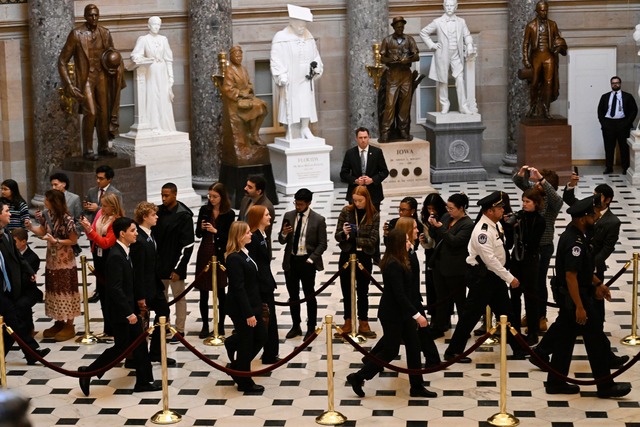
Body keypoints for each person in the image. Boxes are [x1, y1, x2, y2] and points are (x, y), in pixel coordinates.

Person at [543, 197, 631, 398]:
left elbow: (582, 270)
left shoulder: (577, 235)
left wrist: (598, 284)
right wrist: (580, 307)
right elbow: (570, 276)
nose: (596, 217)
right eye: (593, 215)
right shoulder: (574, 242)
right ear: (583, 218)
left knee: (564, 342)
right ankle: (605, 386)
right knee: (596, 341)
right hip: (576, 299)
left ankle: (555, 382)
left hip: (575, 298)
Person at [346, 228, 436, 399]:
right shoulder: (393, 264)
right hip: (392, 315)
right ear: (399, 244)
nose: (410, 243)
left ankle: (417, 386)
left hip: (403, 313)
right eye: (407, 241)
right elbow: (399, 295)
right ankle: (358, 377)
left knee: (414, 347)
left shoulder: (402, 258)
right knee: (390, 350)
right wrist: (417, 315)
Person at [78, 217, 161, 396]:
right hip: (121, 312)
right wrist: (128, 313)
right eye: (132, 230)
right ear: (122, 234)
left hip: (127, 308)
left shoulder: (124, 251)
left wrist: (138, 300)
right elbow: (114, 289)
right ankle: (89, 371)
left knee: (133, 346)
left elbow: (128, 282)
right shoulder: (116, 256)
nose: (136, 233)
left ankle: (144, 381)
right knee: (123, 347)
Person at [444, 191, 525, 362]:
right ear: (489, 211)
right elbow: (491, 261)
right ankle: (453, 351)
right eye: (499, 208)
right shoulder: (482, 231)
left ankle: (518, 348)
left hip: (494, 278)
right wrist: (510, 278)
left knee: (506, 313)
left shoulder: (495, 224)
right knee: (470, 316)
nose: (503, 210)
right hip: (483, 278)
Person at [58, 4, 125, 160]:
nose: (93, 18)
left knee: (104, 114)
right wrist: (68, 84)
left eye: (96, 15)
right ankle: (88, 149)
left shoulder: (105, 33)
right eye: (90, 15)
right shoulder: (76, 34)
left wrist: (115, 68)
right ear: (85, 16)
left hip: (102, 77)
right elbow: (62, 61)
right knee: (92, 112)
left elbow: (112, 56)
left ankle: (103, 148)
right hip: (86, 79)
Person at [25, 190, 80, 342]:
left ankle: (69, 324)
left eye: (47, 199)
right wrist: (31, 227)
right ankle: (58, 321)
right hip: (52, 260)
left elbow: (73, 240)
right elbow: (42, 231)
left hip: (65, 261)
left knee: (66, 290)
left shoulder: (67, 219)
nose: (45, 202)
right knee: (54, 289)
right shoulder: (47, 215)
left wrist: (57, 241)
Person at [512, 165, 562, 332]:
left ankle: (541, 316)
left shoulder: (552, 202)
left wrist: (542, 179)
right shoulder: (535, 196)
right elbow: (521, 183)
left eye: (539, 184)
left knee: (539, 283)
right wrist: (521, 173)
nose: (535, 186)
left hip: (543, 247)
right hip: (528, 247)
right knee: (528, 282)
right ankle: (531, 314)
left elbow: (558, 200)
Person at [0, 202, 50, 365]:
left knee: (12, 325)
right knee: (14, 321)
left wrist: (29, 271)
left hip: (9, 289)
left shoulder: (6, 233)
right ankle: (32, 353)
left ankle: (31, 354)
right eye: (7, 211)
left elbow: (18, 256)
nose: (10, 214)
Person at [278, 188, 328, 340]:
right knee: (293, 295)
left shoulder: (318, 220)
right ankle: (295, 325)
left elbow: (322, 244)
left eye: (300, 204)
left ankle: (311, 327)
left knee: (309, 294)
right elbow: (281, 240)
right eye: (295, 203)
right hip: (291, 260)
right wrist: (285, 233)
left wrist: (311, 259)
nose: (297, 206)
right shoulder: (289, 215)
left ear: (308, 203)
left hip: (307, 261)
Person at [130, 202, 176, 366]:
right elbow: (139, 271)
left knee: (164, 311)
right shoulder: (139, 240)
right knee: (143, 322)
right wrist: (140, 296)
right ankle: (137, 356)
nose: (157, 217)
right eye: (153, 215)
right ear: (144, 217)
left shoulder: (149, 234)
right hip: (145, 288)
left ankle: (155, 352)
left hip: (154, 285)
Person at [223, 221, 267, 393]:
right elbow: (238, 288)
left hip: (252, 304)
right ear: (240, 236)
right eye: (248, 232)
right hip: (242, 309)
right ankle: (244, 381)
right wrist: (248, 313)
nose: (251, 234)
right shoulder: (234, 258)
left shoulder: (244, 253)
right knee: (247, 342)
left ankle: (237, 367)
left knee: (260, 336)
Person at [270, 4, 323, 140]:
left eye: (304, 25)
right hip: (291, 75)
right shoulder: (281, 36)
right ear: (292, 22)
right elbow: (275, 58)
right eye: (299, 25)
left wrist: (317, 67)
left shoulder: (308, 36)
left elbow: (315, 55)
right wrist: (280, 74)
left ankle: (305, 128)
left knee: (306, 100)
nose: (302, 28)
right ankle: (291, 130)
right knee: (292, 101)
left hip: (306, 75)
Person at [334, 185, 380, 339]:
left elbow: (372, 240)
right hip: (347, 255)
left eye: (360, 200)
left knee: (363, 291)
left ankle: (363, 321)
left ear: (367, 199)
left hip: (364, 256)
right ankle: (348, 320)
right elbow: (337, 236)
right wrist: (344, 234)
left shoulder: (373, 214)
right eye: (355, 200)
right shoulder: (346, 211)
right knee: (346, 290)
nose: (357, 203)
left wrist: (355, 237)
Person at [427, 193, 473, 337]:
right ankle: (439, 326)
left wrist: (440, 228)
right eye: (448, 207)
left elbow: (455, 242)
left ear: (461, 208)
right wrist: (433, 226)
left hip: (456, 268)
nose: (449, 211)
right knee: (441, 298)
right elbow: (437, 236)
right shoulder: (447, 217)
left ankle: (463, 329)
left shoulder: (467, 224)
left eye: (452, 208)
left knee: (460, 300)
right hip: (440, 265)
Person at [419, 0, 476, 114]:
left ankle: (463, 106)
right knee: (443, 80)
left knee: (459, 79)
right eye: (447, 6)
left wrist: (469, 44)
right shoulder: (438, 22)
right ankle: (445, 104)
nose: (449, 8)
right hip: (442, 55)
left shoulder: (461, 22)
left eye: (452, 6)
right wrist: (432, 45)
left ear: (456, 7)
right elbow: (423, 32)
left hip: (456, 54)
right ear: (444, 6)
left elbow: (467, 35)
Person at [153, 183, 194, 342]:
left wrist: (178, 268)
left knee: (179, 298)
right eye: (162, 195)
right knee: (161, 299)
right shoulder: (158, 212)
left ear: (175, 195)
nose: (163, 198)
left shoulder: (183, 216)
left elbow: (188, 245)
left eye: (167, 195)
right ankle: (164, 326)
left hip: (176, 265)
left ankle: (180, 330)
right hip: (160, 265)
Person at [193, 183, 235, 338]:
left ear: (222, 197)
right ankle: (205, 324)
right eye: (209, 196)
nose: (211, 199)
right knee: (203, 291)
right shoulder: (204, 210)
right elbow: (197, 234)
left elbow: (230, 237)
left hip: (220, 253)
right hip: (205, 251)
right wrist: (202, 228)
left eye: (215, 196)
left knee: (221, 291)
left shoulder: (229, 214)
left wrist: (216, 231)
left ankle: (221, 325)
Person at [80, 192, 124, 336]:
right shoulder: (100, 213)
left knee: (111, 294)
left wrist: (91, 231)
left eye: (105, 206)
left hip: (109, 257)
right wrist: (87, 228)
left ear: (113, 206)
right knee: (103, 292)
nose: (101, 208)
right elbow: (92, 235)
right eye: (102, 204)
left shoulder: (116, 221)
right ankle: (107, 328)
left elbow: (106, 243)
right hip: (97, 255)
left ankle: (114, 328)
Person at [508, 188, 546, 345]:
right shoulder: (519, 216)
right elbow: (510, 242)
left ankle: (532, 331)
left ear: (536, 204)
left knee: (530, 297)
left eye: (527, 202)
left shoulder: (540, 220)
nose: (524, 204)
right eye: (523, 201)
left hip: (530, 261)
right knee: (514, 295)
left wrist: (520, 228)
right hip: (517, 259)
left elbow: (532, 242)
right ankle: (515, 329)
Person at [521, 0, 567, 119]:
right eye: (542, 10)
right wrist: (525, 59)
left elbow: (557, 39)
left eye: (546, 10)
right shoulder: (531, 25)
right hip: (536, 56)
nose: (544, 12)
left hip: (549, 56)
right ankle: (533, 106)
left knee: (548, 83)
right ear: (537, 11)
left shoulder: (552, 24)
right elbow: (526, 43)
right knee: (535, 82)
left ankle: (546, 109)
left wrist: (559, 47)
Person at [130, 16, 176, 133]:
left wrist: (171, 77)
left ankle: (164, 126)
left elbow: (168, 59)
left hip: (162, 71)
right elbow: (135, 54)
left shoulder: (164, 39)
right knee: (152, 97)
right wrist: (143, 58)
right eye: (154, 24)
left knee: (164, 98)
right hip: (150, 71)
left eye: (158, 25)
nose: (156, 27)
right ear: (149, 25)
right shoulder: (143, 39)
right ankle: (154, 126)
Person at [246, 205, 279, 363]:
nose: (269, 217)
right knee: (266, 320)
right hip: (260, 286)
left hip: (266, 283)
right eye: (266, 215)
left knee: (270, 319)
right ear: (259, 218)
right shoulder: (253, 238)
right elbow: (254, 266)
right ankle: (268, 353)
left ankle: (271, 352)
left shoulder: (262, 235)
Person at [378, 16, 420, 141]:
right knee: (390, 104)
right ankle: (385, 131)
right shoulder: (387, 40)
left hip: (406, 75)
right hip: (393, 76)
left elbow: (416, 56)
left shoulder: (409, 40)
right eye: (398, 27)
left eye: (402, 26)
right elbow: (382, 58)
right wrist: (391, 60)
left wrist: (408, 59)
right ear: (393, 27)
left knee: (404, 106)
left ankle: (403, 130)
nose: (400, 29)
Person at [221, 45, 269, 151]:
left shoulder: (243, 69)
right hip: (236, 102)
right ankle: (253, 136)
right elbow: (227, 89)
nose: (239, 58)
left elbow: (249, 84)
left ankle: (254, 134)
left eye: (240, 56)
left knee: (264, 106)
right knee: (258, 106)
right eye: (237, 57)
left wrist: (248, 91)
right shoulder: (229, 70)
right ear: (232, 57)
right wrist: (242, 94)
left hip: (246, 98)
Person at [340, 127, 389, 211]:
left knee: (373, 220)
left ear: (369, 137)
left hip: (373, 193)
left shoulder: (377, 152)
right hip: (355, 192)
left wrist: (372, 180)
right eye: (360, 138)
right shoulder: (350, 153)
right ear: (356, 138)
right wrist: (355, 180)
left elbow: (385, 172)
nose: (363, 140)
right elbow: (343, 173)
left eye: (365, 137)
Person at [597, 76, 638, 175]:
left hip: (623, 124)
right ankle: (609, 167)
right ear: (611, 84)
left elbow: (634, 110)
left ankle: (625, 167)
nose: (615, 84)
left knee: (624, 147)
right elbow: (600, 111)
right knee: (609, 147)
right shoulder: (605, 96)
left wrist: (627, 122)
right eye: (613, 83)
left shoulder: (627, 96)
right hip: (608, 124)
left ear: (620, 83)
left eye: (617, 82)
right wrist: (604, 123)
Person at [419, 193, 447, 322]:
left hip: (444, 253)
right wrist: (424, 240)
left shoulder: (446, 217)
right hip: (431, 253)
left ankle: (444, 318)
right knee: (431, 284)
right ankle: (434, 316)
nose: (431, 211)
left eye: (433, 209)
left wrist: (436, 227)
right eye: (429, 208)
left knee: (443, 287)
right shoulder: (424, 218)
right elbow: (429, 243)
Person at [238, 175, 275, 251]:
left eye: (250, 187)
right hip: (243, 244)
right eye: (246, 185)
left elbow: (263, 231)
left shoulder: (266, 207)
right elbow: (240, 219)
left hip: (257, 249)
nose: (245, 188)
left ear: (258, 191)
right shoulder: (245, 199)